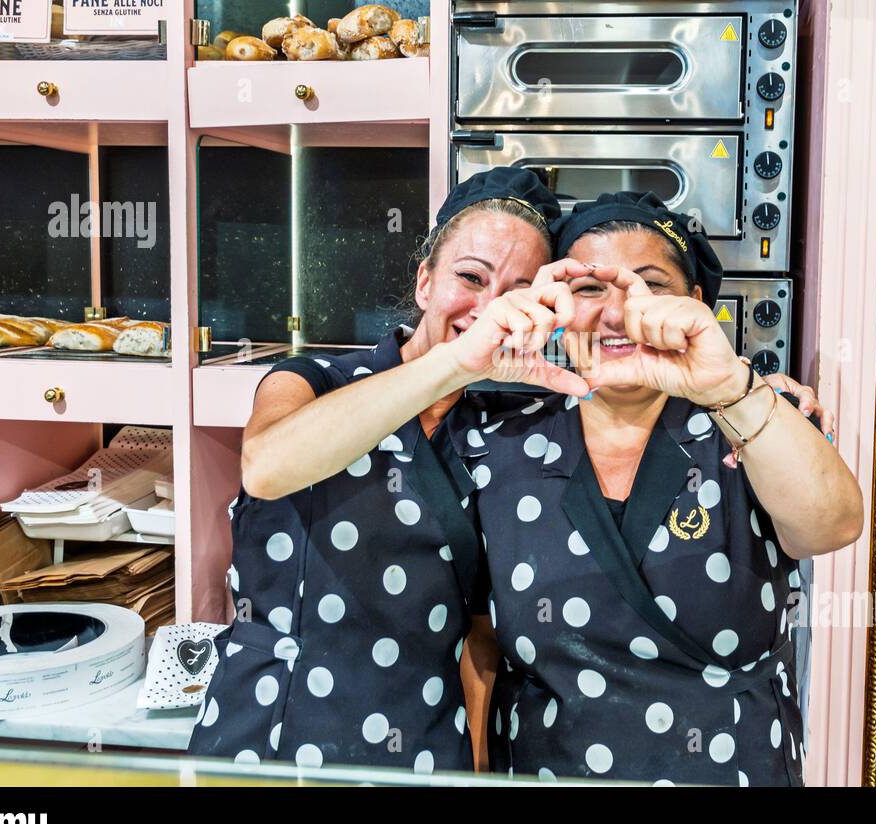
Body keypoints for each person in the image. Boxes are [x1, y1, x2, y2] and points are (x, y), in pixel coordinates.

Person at [187, 168, 588, 773]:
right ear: (425, 281)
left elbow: (484, 632)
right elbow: (267, 466)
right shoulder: (313, 380)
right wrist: (454, 362)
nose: (487, 309)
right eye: (470, 277)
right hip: (263, 738)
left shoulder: (506, 429)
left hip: (418, 752)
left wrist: (756, 401)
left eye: (516, 293)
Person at [456, 192, 864, 785]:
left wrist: (733, 388)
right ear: (556, 307)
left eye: (651, 285)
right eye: (591, 289)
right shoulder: (501, 448)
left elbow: (834, 525)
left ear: (696, 304)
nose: (620, 314)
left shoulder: (749, 422)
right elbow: (482, 641)